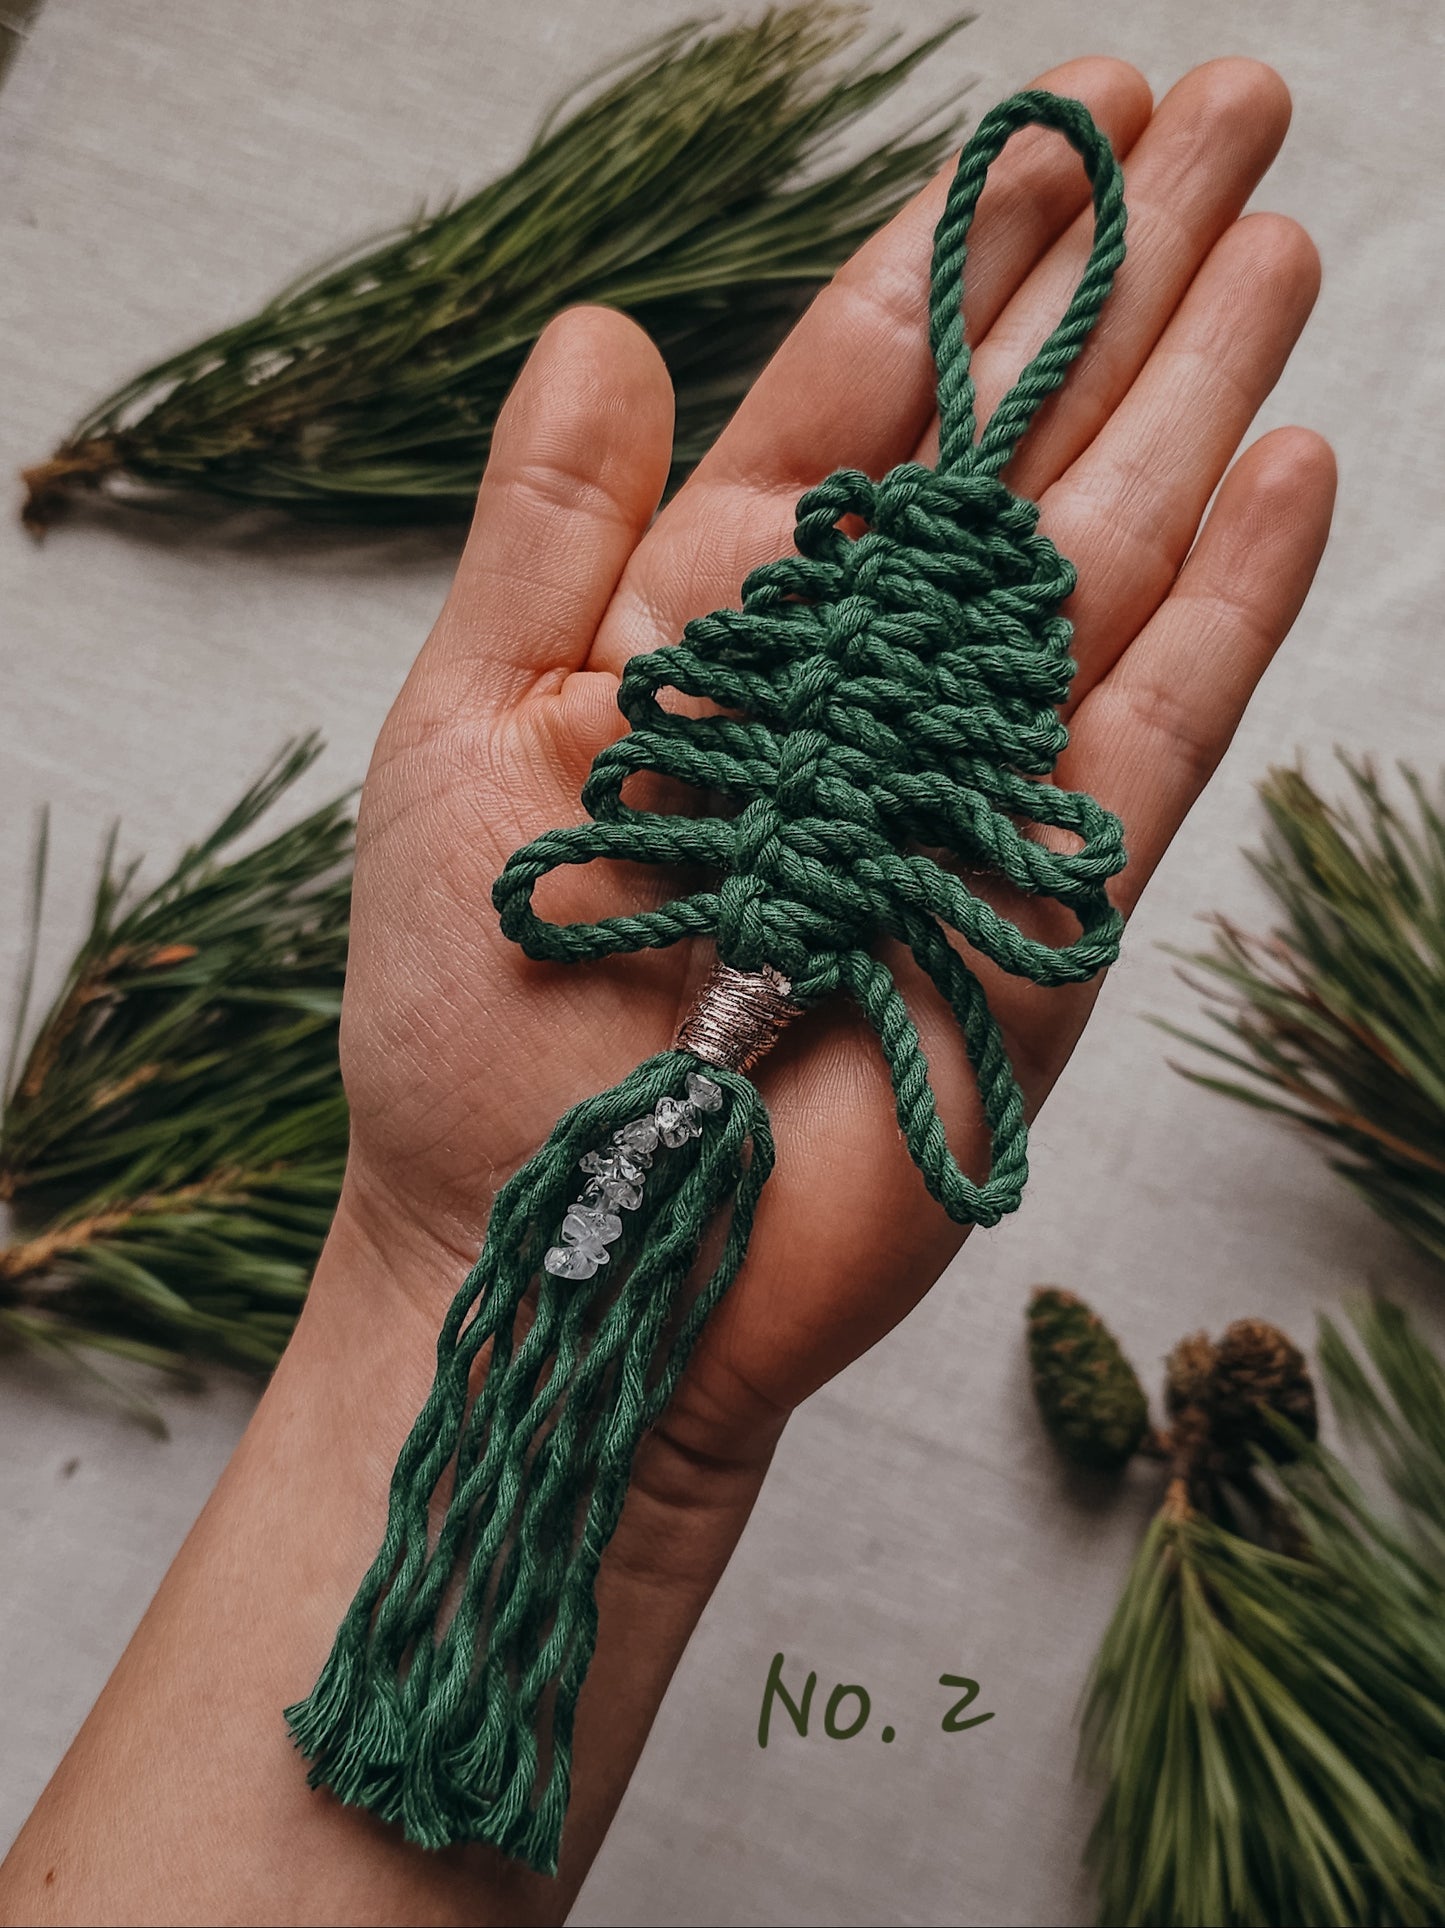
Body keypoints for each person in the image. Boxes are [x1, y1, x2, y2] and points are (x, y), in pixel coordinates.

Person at [0, 53, 1334, 1928]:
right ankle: (436, 1704)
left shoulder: (885, 642)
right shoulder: (855, 658)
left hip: (745, 997)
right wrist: (421, 1255)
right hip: (726, 1012)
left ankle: (429, 1697)